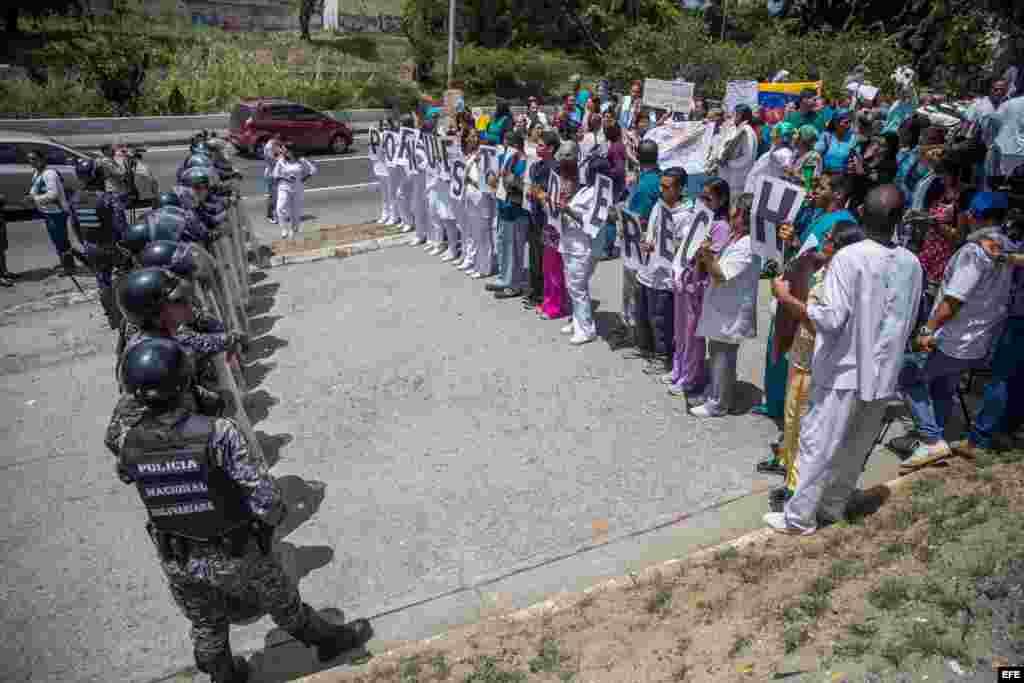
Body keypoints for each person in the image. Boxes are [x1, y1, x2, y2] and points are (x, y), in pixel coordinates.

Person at [109, 337, 372, 682]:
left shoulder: (128, 439)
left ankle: (224, 675)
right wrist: (268, 527)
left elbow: (127, 471)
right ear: (186, 381)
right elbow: (264, 497)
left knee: (206, 622)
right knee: (282, 602)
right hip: (234, 549)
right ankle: (328, 641)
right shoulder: (218, 433)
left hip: (177, 555)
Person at [765, 185, 923, 535]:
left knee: (817, 445)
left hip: (842, 370)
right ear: (898, 221)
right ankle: (833, 507)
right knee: (856, 445)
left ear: (862, 216)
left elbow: (828, 319)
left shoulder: (849, 258)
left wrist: (786, 298)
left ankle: (799, 518)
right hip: (883, 371)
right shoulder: (912, 263)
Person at [899, 193, 1015, 470]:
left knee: (907, 375)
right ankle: (933, 436)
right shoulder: (1006, 248)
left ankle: (930, 439)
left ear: (973, 216)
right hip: (978, 339)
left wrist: (927, 329)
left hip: (954, 337)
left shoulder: (974, 252)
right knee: (942, 385)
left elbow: (954, 299)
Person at [769, 220, 865, 512]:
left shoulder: (840, 280)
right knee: (791, 419)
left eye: (829, 238)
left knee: (805, 425)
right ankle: (787, 469)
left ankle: (796, 487)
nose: (823, 240)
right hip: (801, 354)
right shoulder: (824, 269)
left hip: (816, 361)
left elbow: (821, 320)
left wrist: (785, 299)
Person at [690, 192, 760, 417]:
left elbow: (721, 274)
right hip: (723, 306)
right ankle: (715, 392)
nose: (730, 215)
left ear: (743, 215)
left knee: (723, 356)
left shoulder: (748, 244)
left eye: (734, 211)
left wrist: (707, 255)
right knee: (718, 352)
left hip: (731, 311)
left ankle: (719, 404)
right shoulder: (736, 237)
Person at [665, 178, 730, 399]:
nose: (703, 201)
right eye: (701, 196)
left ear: (721, 200)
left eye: (708, 198)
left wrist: (703, 251)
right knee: (680, 331)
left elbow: (713, 260)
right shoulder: (699, 219)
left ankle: (691, 377)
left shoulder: (720, 227)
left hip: (698, 288)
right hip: (684, 282)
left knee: (693, 336)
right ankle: (678, 369)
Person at [634, 168, 692, 375]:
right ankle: (648, 349)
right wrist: (646, 241)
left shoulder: (686, 216)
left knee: (661, 318)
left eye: (667, 187)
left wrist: (661, 246)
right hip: (648, 270)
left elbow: (684, 248)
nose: (661, 190)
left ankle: (663, 357)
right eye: (661, 185)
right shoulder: (659, 205)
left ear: (680, 189)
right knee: (646, 313)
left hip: (666, 276)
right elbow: (652, 231)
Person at [70, 158, 129, 329]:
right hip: (112, 247)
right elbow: (121, 226)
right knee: (126, 277)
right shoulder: (107, 198)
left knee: (103, 282)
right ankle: (129, 313)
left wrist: (85, 244)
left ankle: (113, 317)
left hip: (91, 247)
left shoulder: (75, 199)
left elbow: (75, 225)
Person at [615, 139, 662, 350]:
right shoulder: (657, 178)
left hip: (638, 244)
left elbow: (638, 218)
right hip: (652, 243)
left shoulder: (644, 186)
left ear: (639, 156)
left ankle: (634, 333)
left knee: (634, 290)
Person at [557, 157, 598, 344]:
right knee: (572, 287)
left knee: (578, 288)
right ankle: (577, 320)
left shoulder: (596, 195)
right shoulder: (583, 190)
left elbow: (590, 222)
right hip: (568, 243)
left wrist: (567, 210)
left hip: (580, 247)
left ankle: (586, 329)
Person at [485, 131, 530, 298]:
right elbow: (494, 176)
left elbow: (523, 187)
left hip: (517, 211)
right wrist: (492, 178)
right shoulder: (506, 159)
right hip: (504, 208)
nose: (504, 147)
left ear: (516, 146)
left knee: (516, 249)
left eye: (507, 144)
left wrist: (510, 179)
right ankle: (504, 278)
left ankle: (515, 285)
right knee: (504, 245)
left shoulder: (525, 162)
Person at [525, 131, 561, 309]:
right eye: (537, 144)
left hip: (546, 219)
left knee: (544, 259)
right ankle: (535, 291)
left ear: (551, 148)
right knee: (534, 256)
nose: (537, 147)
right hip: (534, 215)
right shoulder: (536, 166)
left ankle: (544, 294)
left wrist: (539, 193)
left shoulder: (554, 168)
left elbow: (550, 193)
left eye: (541, 145)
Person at [26, 150, 75, 276]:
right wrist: (30, 197)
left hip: (57, 212)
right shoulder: (37, 173)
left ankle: (69, 266)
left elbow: (53, 194)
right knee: (57, 240)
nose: (32, 162)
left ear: (42, 159)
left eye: (34, 159)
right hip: (48, 211)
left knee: (61, 240)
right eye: (30, 159)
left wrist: (35, 199)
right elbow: (34, 189)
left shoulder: (49, 174)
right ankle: (65, 262)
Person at [462, 135, 496, 279]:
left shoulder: (488, 161)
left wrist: (478, 165)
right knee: (475, 234)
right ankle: (477, 264)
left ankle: (485, 268)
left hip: (482, 201)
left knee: (484, 235)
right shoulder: (471, 157)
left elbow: (487, 183)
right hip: (470, 199)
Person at [593, 123, 627, 260]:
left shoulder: (615, 148)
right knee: (612, 218)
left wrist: (605, 172)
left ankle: (608, 250)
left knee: (610, 218)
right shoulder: (617, 146)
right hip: (616, 185)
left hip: (614, 186)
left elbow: (618, 169)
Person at [272, 143, 317, 240]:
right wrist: (285, 177)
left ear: (290, 151)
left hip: (297, 189)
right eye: (282, 149)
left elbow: (313, 170)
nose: (282, 151)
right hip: (284, 188)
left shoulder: (301, 161)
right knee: (280, 208)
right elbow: (275, 175)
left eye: (284, 149)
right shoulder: (281, 161)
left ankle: (294, 230)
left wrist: (303, 179)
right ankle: (284, 229)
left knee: (295, 211)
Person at [718, 106, 757, 205]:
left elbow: (747, 158)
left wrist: (728, 163)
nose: (732, 116)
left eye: (734, 114)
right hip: (729, 178)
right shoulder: (737, 128)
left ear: (740, 115)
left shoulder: (746, 131)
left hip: (737, 180)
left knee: (732, 207)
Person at [744, 122, 796, 196]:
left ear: (783, 137)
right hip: (754, 187)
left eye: (776, 134)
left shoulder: (785, 153)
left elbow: (787, 167)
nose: (772, 135)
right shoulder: (775, 149)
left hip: (762, 192)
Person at [816, 110, 858, 175]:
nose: (849, 125)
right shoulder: (826, 136)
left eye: (850, 121)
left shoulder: (853, 138)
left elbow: (855, 157)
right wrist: (819, 172)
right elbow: (817, 155)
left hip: (844, 177)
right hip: (826, 176)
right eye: (846, 122)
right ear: (836, 123)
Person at [784, 125, 823, 192]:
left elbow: (811, 182)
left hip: (800, 194)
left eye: (798, 135)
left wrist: (794, 173)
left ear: (804, 139)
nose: (794, 137)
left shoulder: (813, 157)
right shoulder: (796, 152)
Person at [263, 134, 283, 224]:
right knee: (273, 196)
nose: (281, 143)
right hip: (271, 174)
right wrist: (282, 157)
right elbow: (273, 160)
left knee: (277, 196)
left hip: (276, 174)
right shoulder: (269, 147)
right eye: (280, 140)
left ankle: (276, 214)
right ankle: (271, 215)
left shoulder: (276, 145)